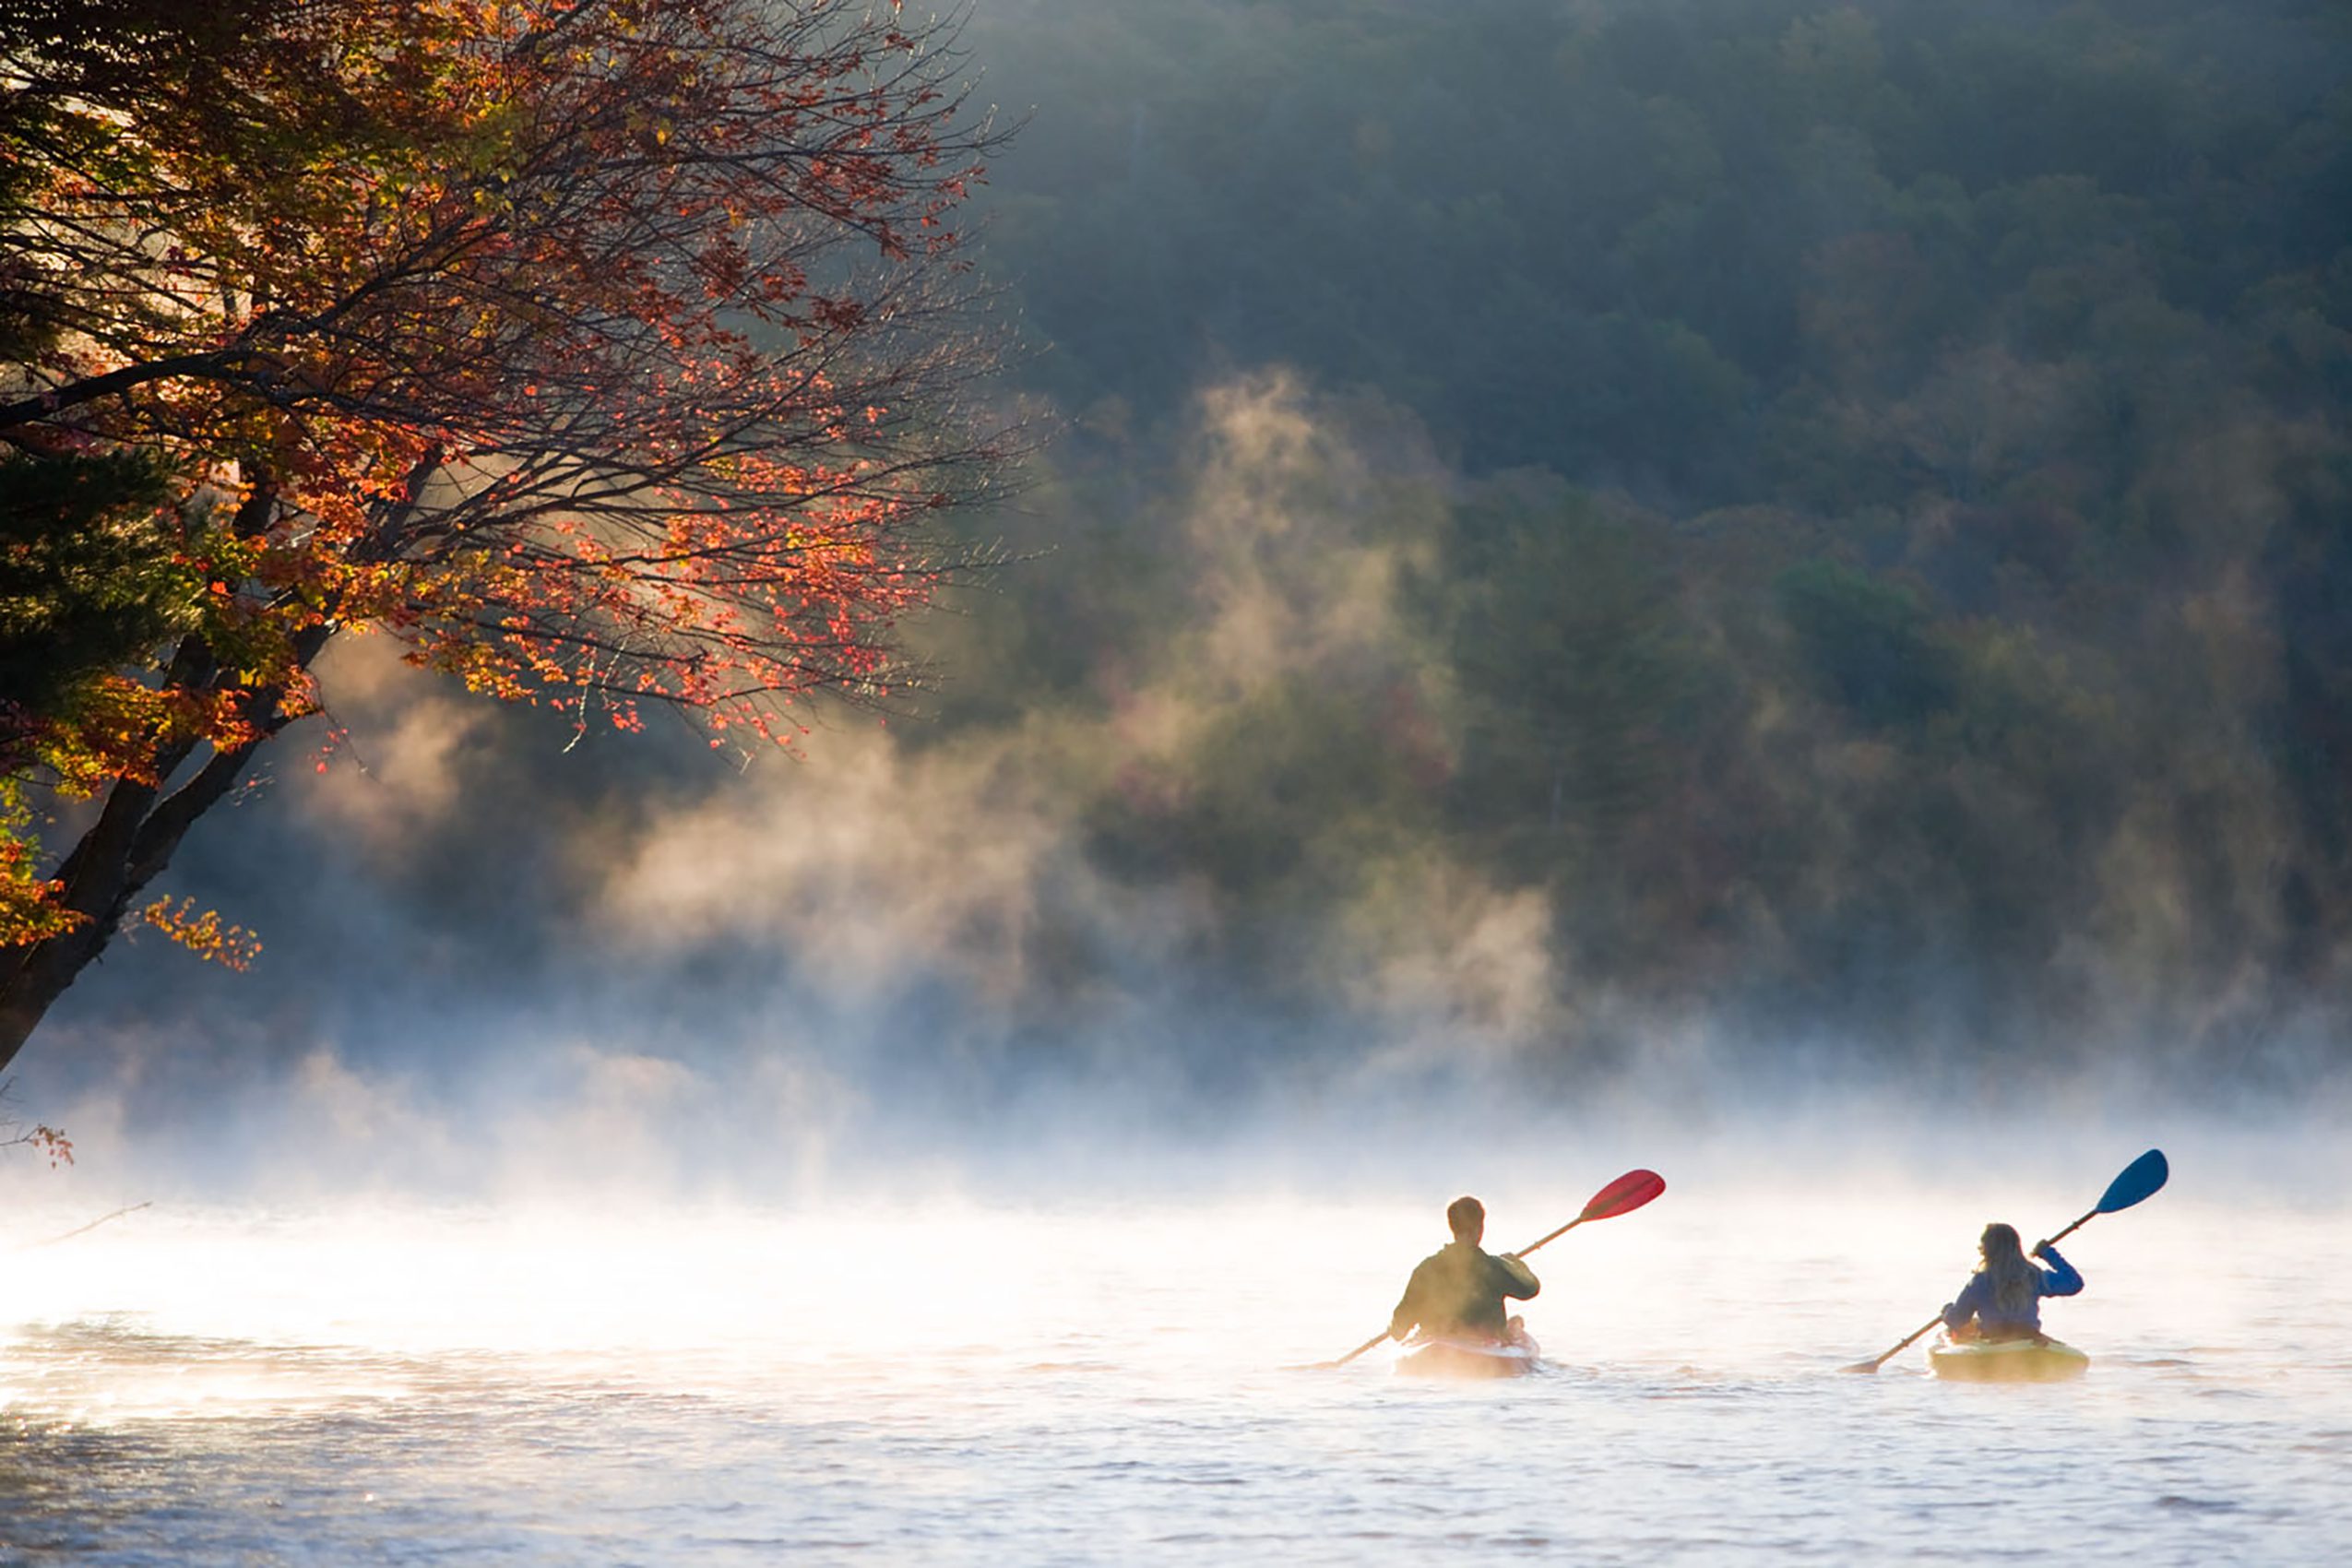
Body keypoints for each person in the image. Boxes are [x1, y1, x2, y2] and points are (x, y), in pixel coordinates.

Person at [1389, 1195, 1539, 1345]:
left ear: (1452, 1227)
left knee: (1515, 1322)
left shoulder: (1425, 1269)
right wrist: (1516, 1264)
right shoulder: (1495, 1267)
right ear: (1480, 1229)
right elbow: (1530, 1289)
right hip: (1484, 1343)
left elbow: (1398, 1331)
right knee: (1514, 1325)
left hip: (1435, 1341)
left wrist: (1395, 1327)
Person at [1942, 1222, 2083, 1342]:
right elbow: (2073, 1283)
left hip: (1994, 1339)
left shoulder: (1980, 1281)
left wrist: (1947, 1311)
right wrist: (2048, 1253)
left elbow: (1957, 1319)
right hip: (2028, 1337)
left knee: (1964, 1328)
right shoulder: (2033, 1275)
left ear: (1986, 1251)